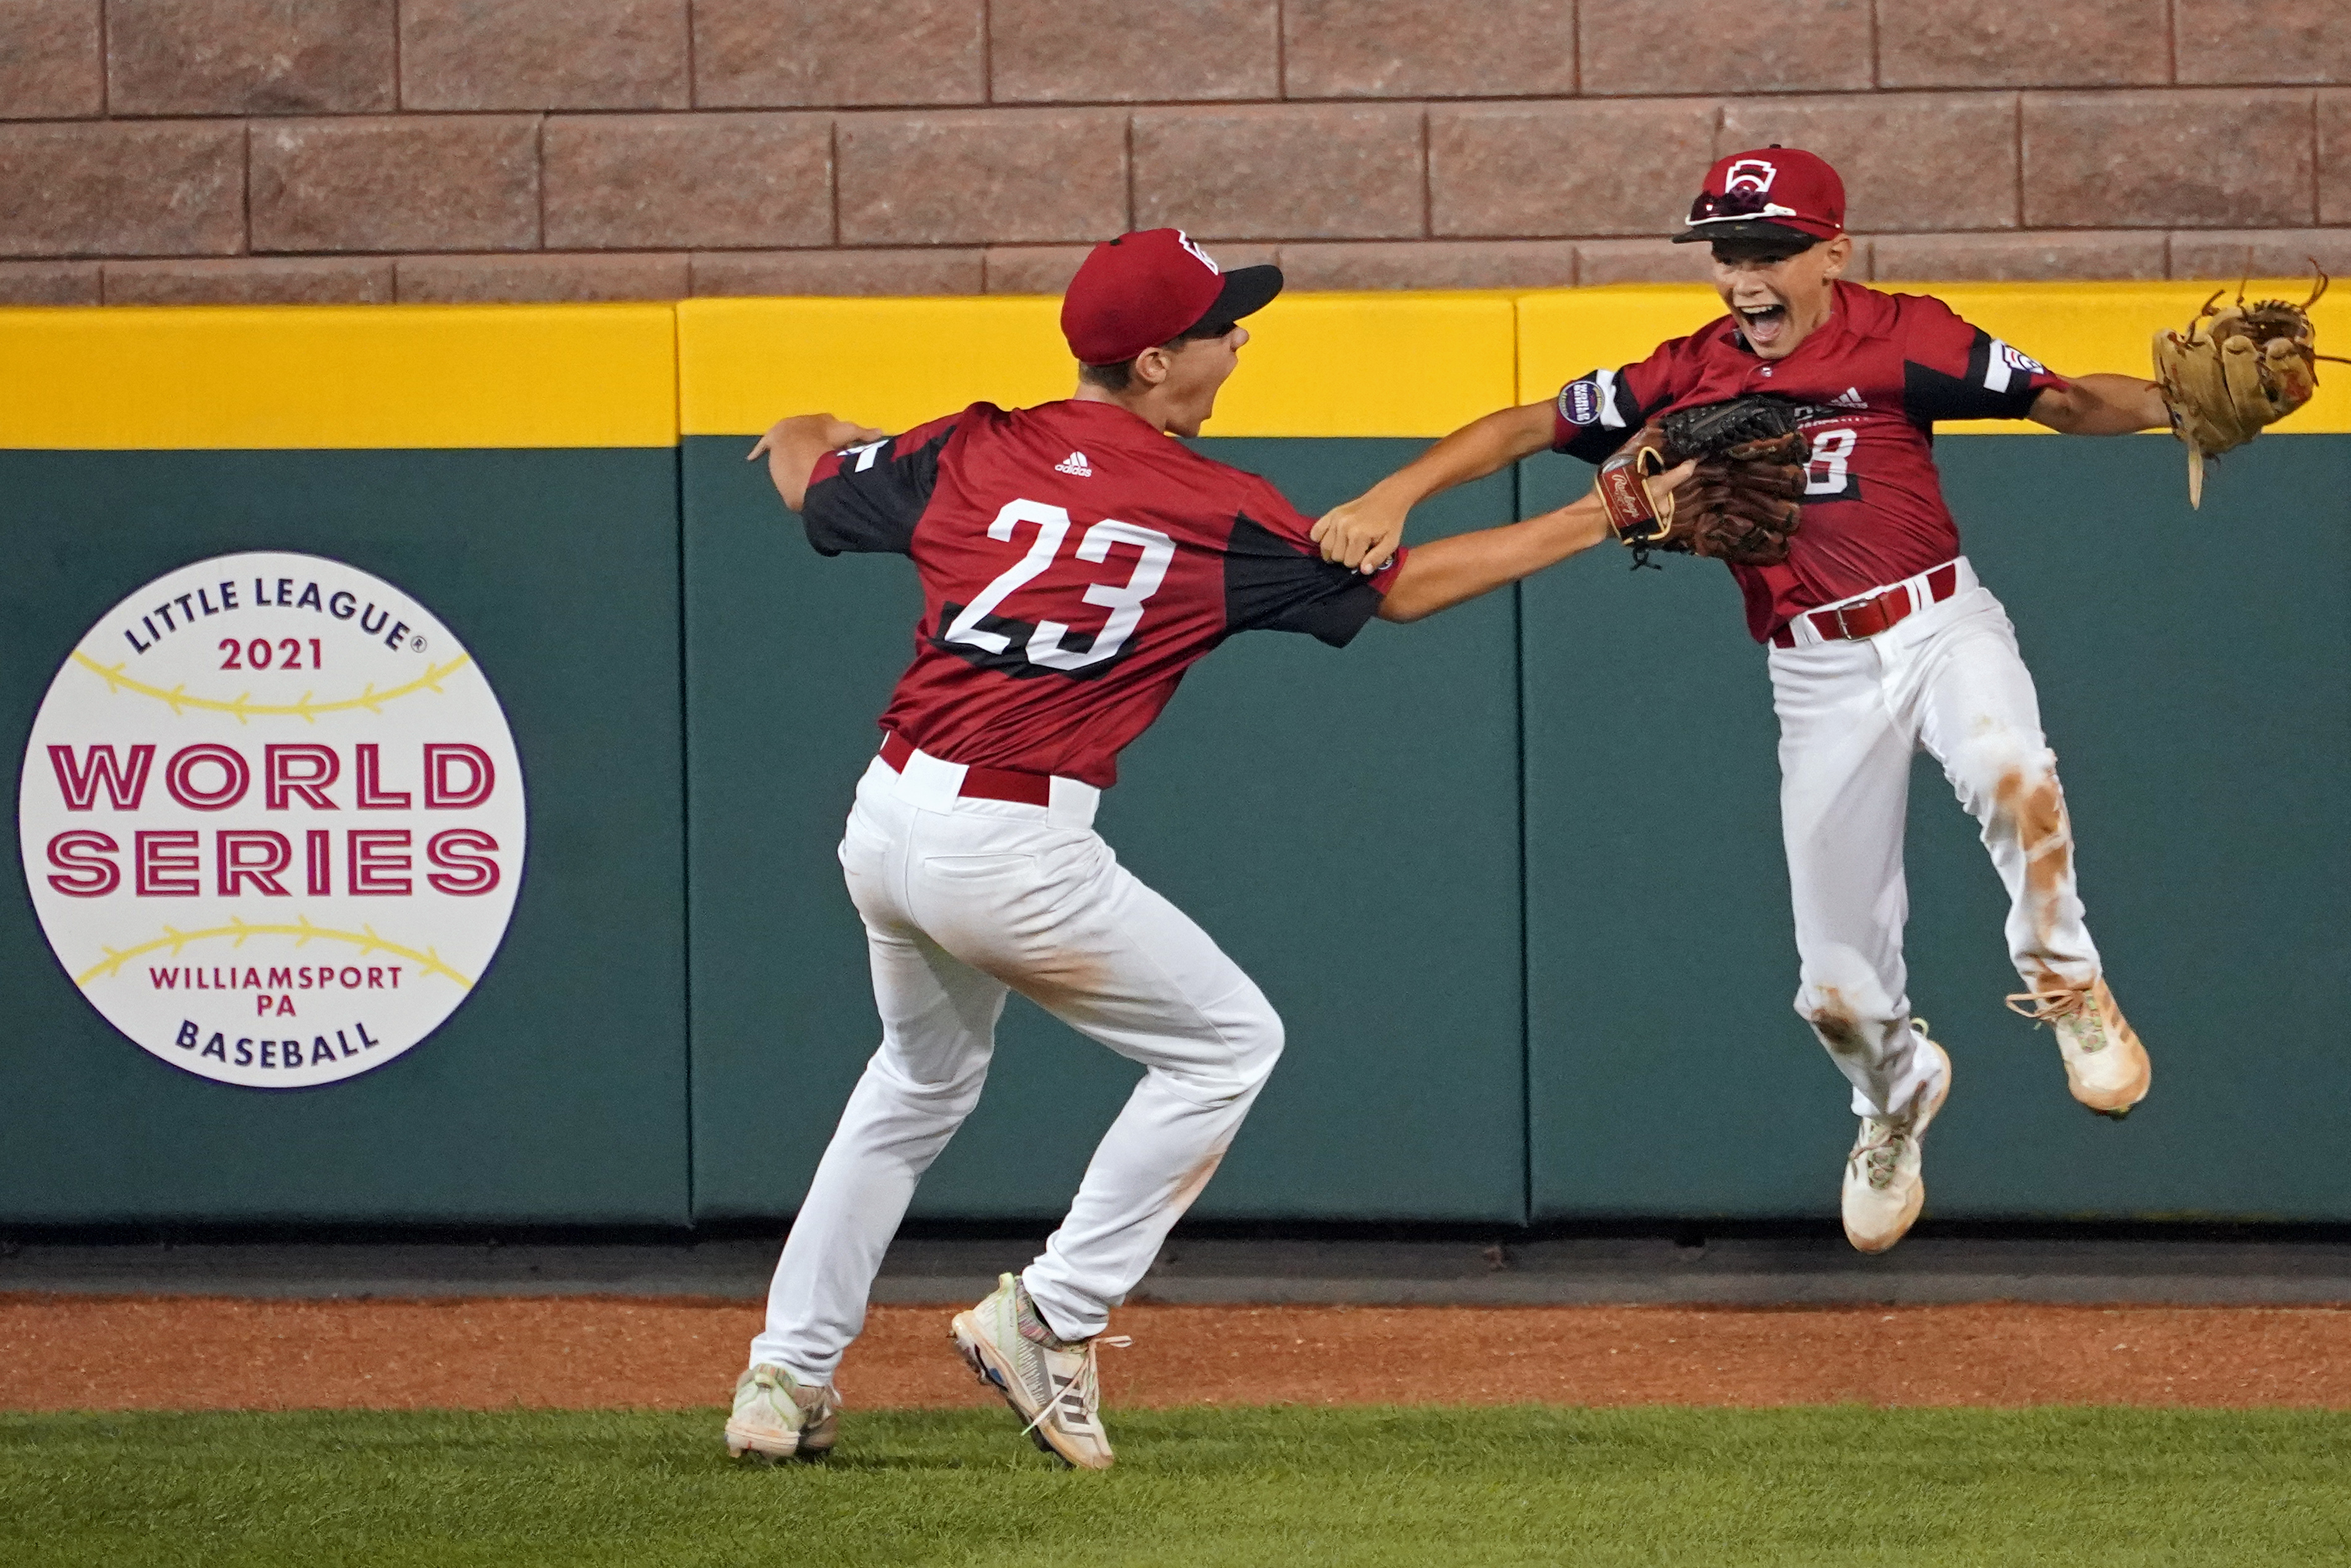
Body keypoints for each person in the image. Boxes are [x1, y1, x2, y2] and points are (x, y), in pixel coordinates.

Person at [728, 228, 1696, 1469]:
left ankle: (783, 1372)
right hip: (1014, 846)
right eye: (1216, 328)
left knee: (913, 1085)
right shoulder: (1212, 508)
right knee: (1227, 1043)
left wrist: (802, 421)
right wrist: (1596, 513)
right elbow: (1399, 591)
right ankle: (1051, 1313)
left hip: (888, 820)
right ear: (1149, 362)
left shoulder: (971, 446)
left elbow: (810, 473)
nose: (1237, 341)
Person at [1312, 148, 2161, 1256]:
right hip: (1813, 670)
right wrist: (1392, 490)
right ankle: (1892, 1098)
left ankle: (2069, 984)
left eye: (1769, 250)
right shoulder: (1689, 370)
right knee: (1834, 993)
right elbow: (1524, 426)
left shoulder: (1908, 333)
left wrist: (2183, 407)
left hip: (1938, 620)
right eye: (1727, 252)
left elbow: (2066, 401)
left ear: (1832, 252)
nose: (1743, 275)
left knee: (2010, 770)